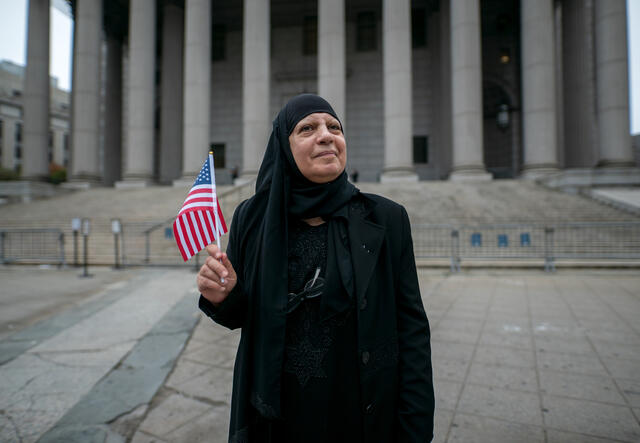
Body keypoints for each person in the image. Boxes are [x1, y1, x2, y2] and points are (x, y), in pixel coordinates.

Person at [197, 94, 434, 442]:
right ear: (284, 147)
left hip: (361, 414)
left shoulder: (385, 218)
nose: (326, 135)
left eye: (334, 127)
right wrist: (225, 296)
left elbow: (412, 330)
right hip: (276, 418)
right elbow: (245, 316)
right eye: (307, 128)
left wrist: (415, 429)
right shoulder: (253, 218)